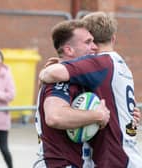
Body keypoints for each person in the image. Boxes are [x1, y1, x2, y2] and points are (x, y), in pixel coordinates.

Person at [39, 12, 142, 167]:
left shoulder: (100, 63)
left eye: (91, 41)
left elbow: (51, 74)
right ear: (113, 38)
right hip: (128, 154)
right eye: (87, 42)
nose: (92, 47)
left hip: (114, 158)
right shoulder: (120, 65)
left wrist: (51, 69)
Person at [34, 20, 110, 168]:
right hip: (58, 164)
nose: (94, 47)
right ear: (69, 50)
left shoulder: (75, 78)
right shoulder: (59, 80)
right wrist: (97, 115)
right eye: (88, 42)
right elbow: (55, 117)